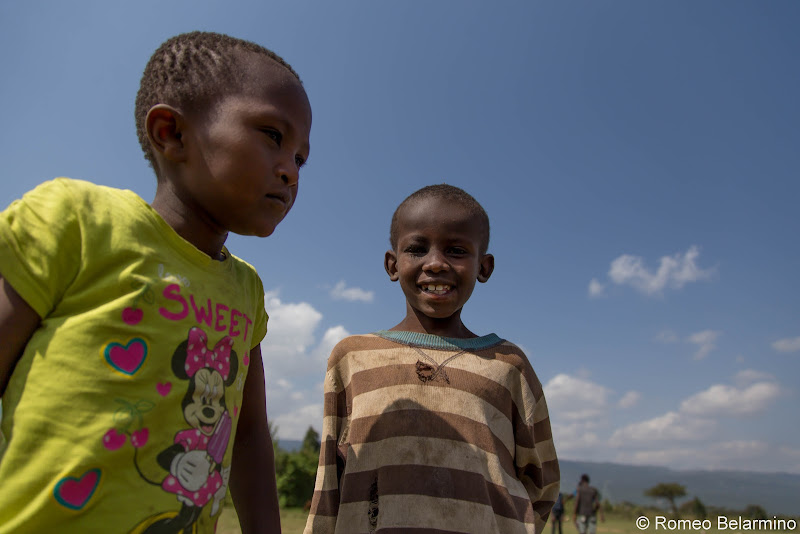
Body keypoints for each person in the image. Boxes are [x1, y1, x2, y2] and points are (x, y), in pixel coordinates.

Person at [0, 31, 311, 534]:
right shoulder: (75, 221)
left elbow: (249, 434)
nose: (290, 170)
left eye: (301, 158)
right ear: (171, 132)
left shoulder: (247, 291)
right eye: (274, 136)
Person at [304, 185, 560, 533]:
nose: (436, 263)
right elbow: (329, 482)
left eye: (456, 250)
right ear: (392, 265)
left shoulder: (508, 365)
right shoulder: (352, 359)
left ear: (484, 267)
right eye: (417, 249)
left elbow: (541, 484)